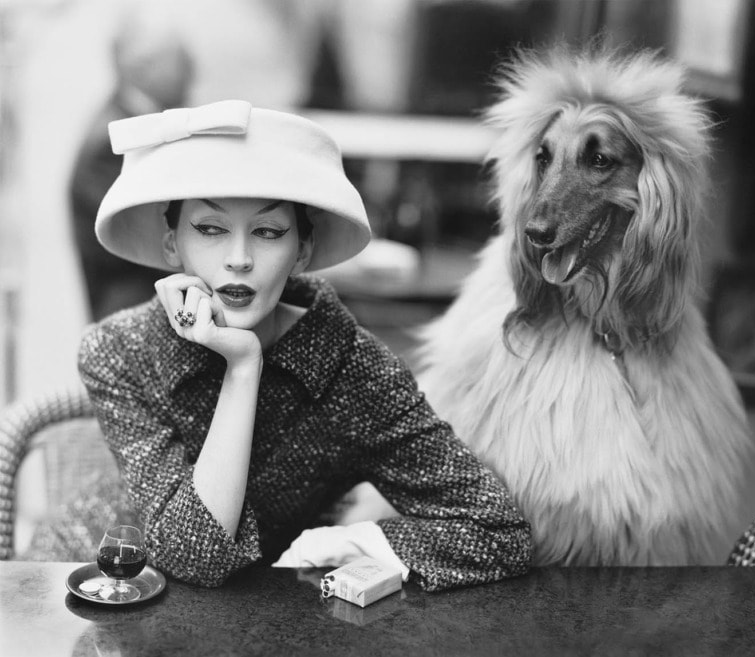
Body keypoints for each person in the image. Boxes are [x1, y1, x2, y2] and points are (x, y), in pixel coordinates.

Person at [78, 100, 531, 591]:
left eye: (268, 232)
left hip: (257, 615)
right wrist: (242, 368)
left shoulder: (353, 370)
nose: (239, 259)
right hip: (88, 577)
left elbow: (496, 531)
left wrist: (354, 542)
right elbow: (194, 556)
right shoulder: (116, 351)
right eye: (210, 229)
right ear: (172, 245)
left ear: (302, 250)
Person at [70, 11, 194, 320]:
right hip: (135, 314)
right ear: (142, 67)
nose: (192, 69)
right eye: (180, 59)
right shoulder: (112, 145)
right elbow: (148, 236)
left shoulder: (138, 124)